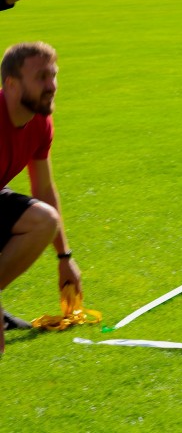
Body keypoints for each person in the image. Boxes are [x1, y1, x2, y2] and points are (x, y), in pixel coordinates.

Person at [0, 42, 82, 355]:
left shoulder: (40, 121)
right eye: (41, 77)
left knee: (44, 219)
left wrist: (65, 258)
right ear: (11, 84)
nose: (51, 86)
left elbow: (44, 189)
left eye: (54, 75)